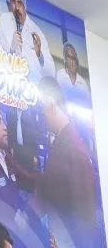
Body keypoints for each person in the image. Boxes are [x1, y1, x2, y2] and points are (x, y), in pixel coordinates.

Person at [34, 79, 97, 227]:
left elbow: (85, 214)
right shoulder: (63, 142)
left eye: (42, 108)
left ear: (51, 104)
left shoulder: (71, 148)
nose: (42, 114)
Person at [0, 0, 55, 82]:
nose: (17, 7)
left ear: (24, 5)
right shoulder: (4, 20)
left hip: (31, 86)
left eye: (19, 2)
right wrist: (12, 49)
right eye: (13, 1)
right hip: (7, 81)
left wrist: (39, 54)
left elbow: (51, 72)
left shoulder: (37, 31)